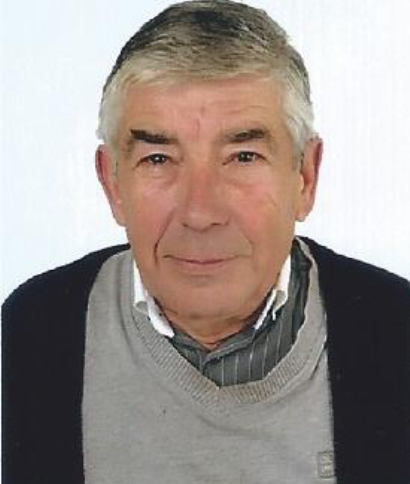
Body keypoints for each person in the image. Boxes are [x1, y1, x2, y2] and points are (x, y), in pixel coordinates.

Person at [2, 1, 409, 483]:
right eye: (158, 159)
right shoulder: (31, 336)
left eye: (243, 156)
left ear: (305, 176)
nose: (200, 213)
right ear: (112, 184)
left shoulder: (397, 333)